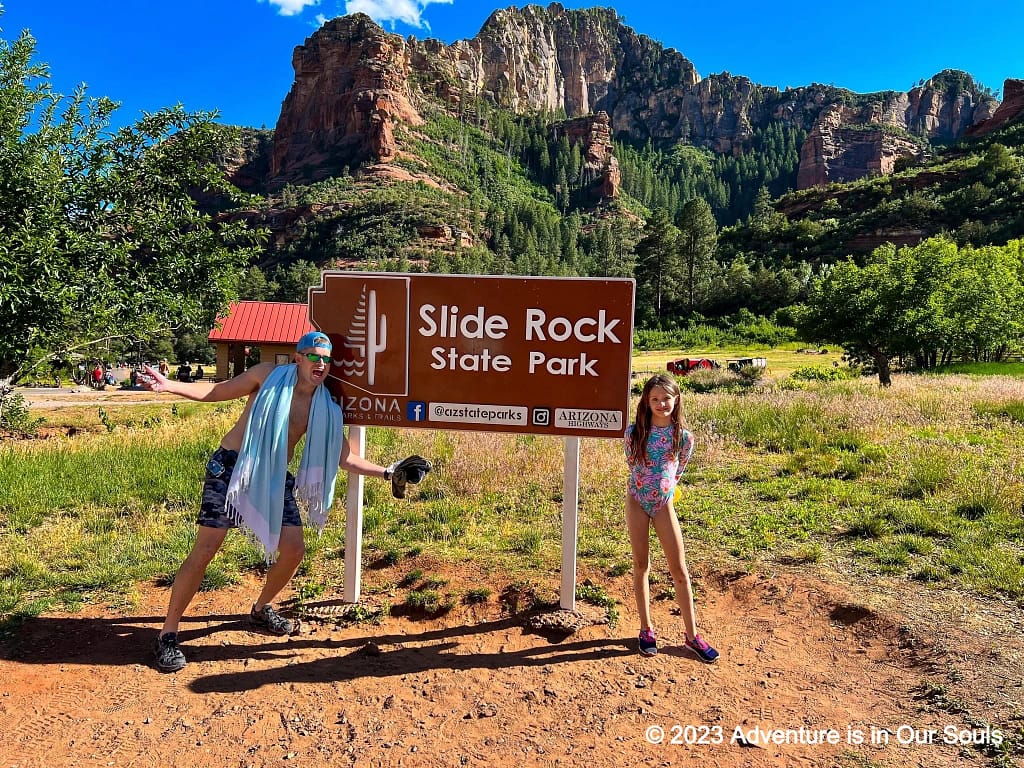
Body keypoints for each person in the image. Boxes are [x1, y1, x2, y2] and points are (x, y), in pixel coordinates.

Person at [138, 331, 430, 672]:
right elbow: (216, 391)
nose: (320, 364)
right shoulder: (266, 376)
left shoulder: (325, 407)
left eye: (326, 358)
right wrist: (170, 385)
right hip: (233, 468)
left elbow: (344, 457)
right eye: (313, 356)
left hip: (274, 478)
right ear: (298, 357)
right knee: (206, 548)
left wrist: (387, 471)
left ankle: (261, 609)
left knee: (293, 549)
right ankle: (168, 634)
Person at [624, 373, 718, 663]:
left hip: (664, 504)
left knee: (679, 570)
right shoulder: (634, 433)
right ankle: (646, 629)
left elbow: (678, 471)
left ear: (676, 399)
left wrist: (664, 490)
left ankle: (692, 637)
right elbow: (632, 464)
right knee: (641, 565)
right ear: (646, 402)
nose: (661, 404)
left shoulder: (684, 437)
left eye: (666, 398)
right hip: (637, 502)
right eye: (655, 399)